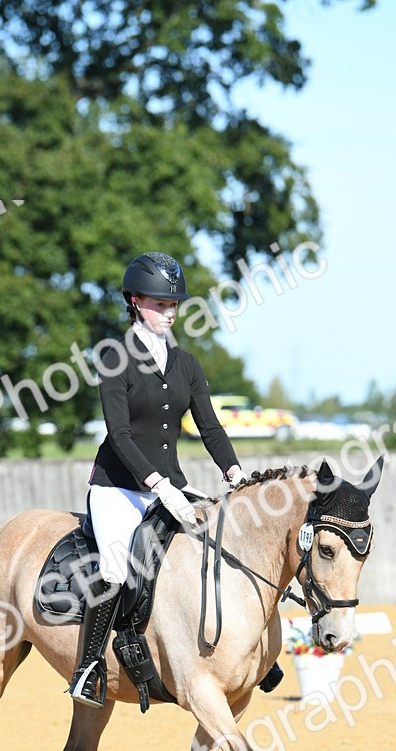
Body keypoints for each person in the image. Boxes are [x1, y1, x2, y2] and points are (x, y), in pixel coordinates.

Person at [69, 250, 246, 707]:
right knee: (113, 565)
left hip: (171, 483)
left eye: (173, 305)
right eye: (159, 304)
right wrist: (160, 487)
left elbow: (210, 427)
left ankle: (246, 652)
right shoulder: (114, 356)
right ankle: (88, 668)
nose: (169, 312)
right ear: (134, 301)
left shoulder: (186, 364)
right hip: (118, 487)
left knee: (220, 544)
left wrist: (235, 472)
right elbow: (120, 434)